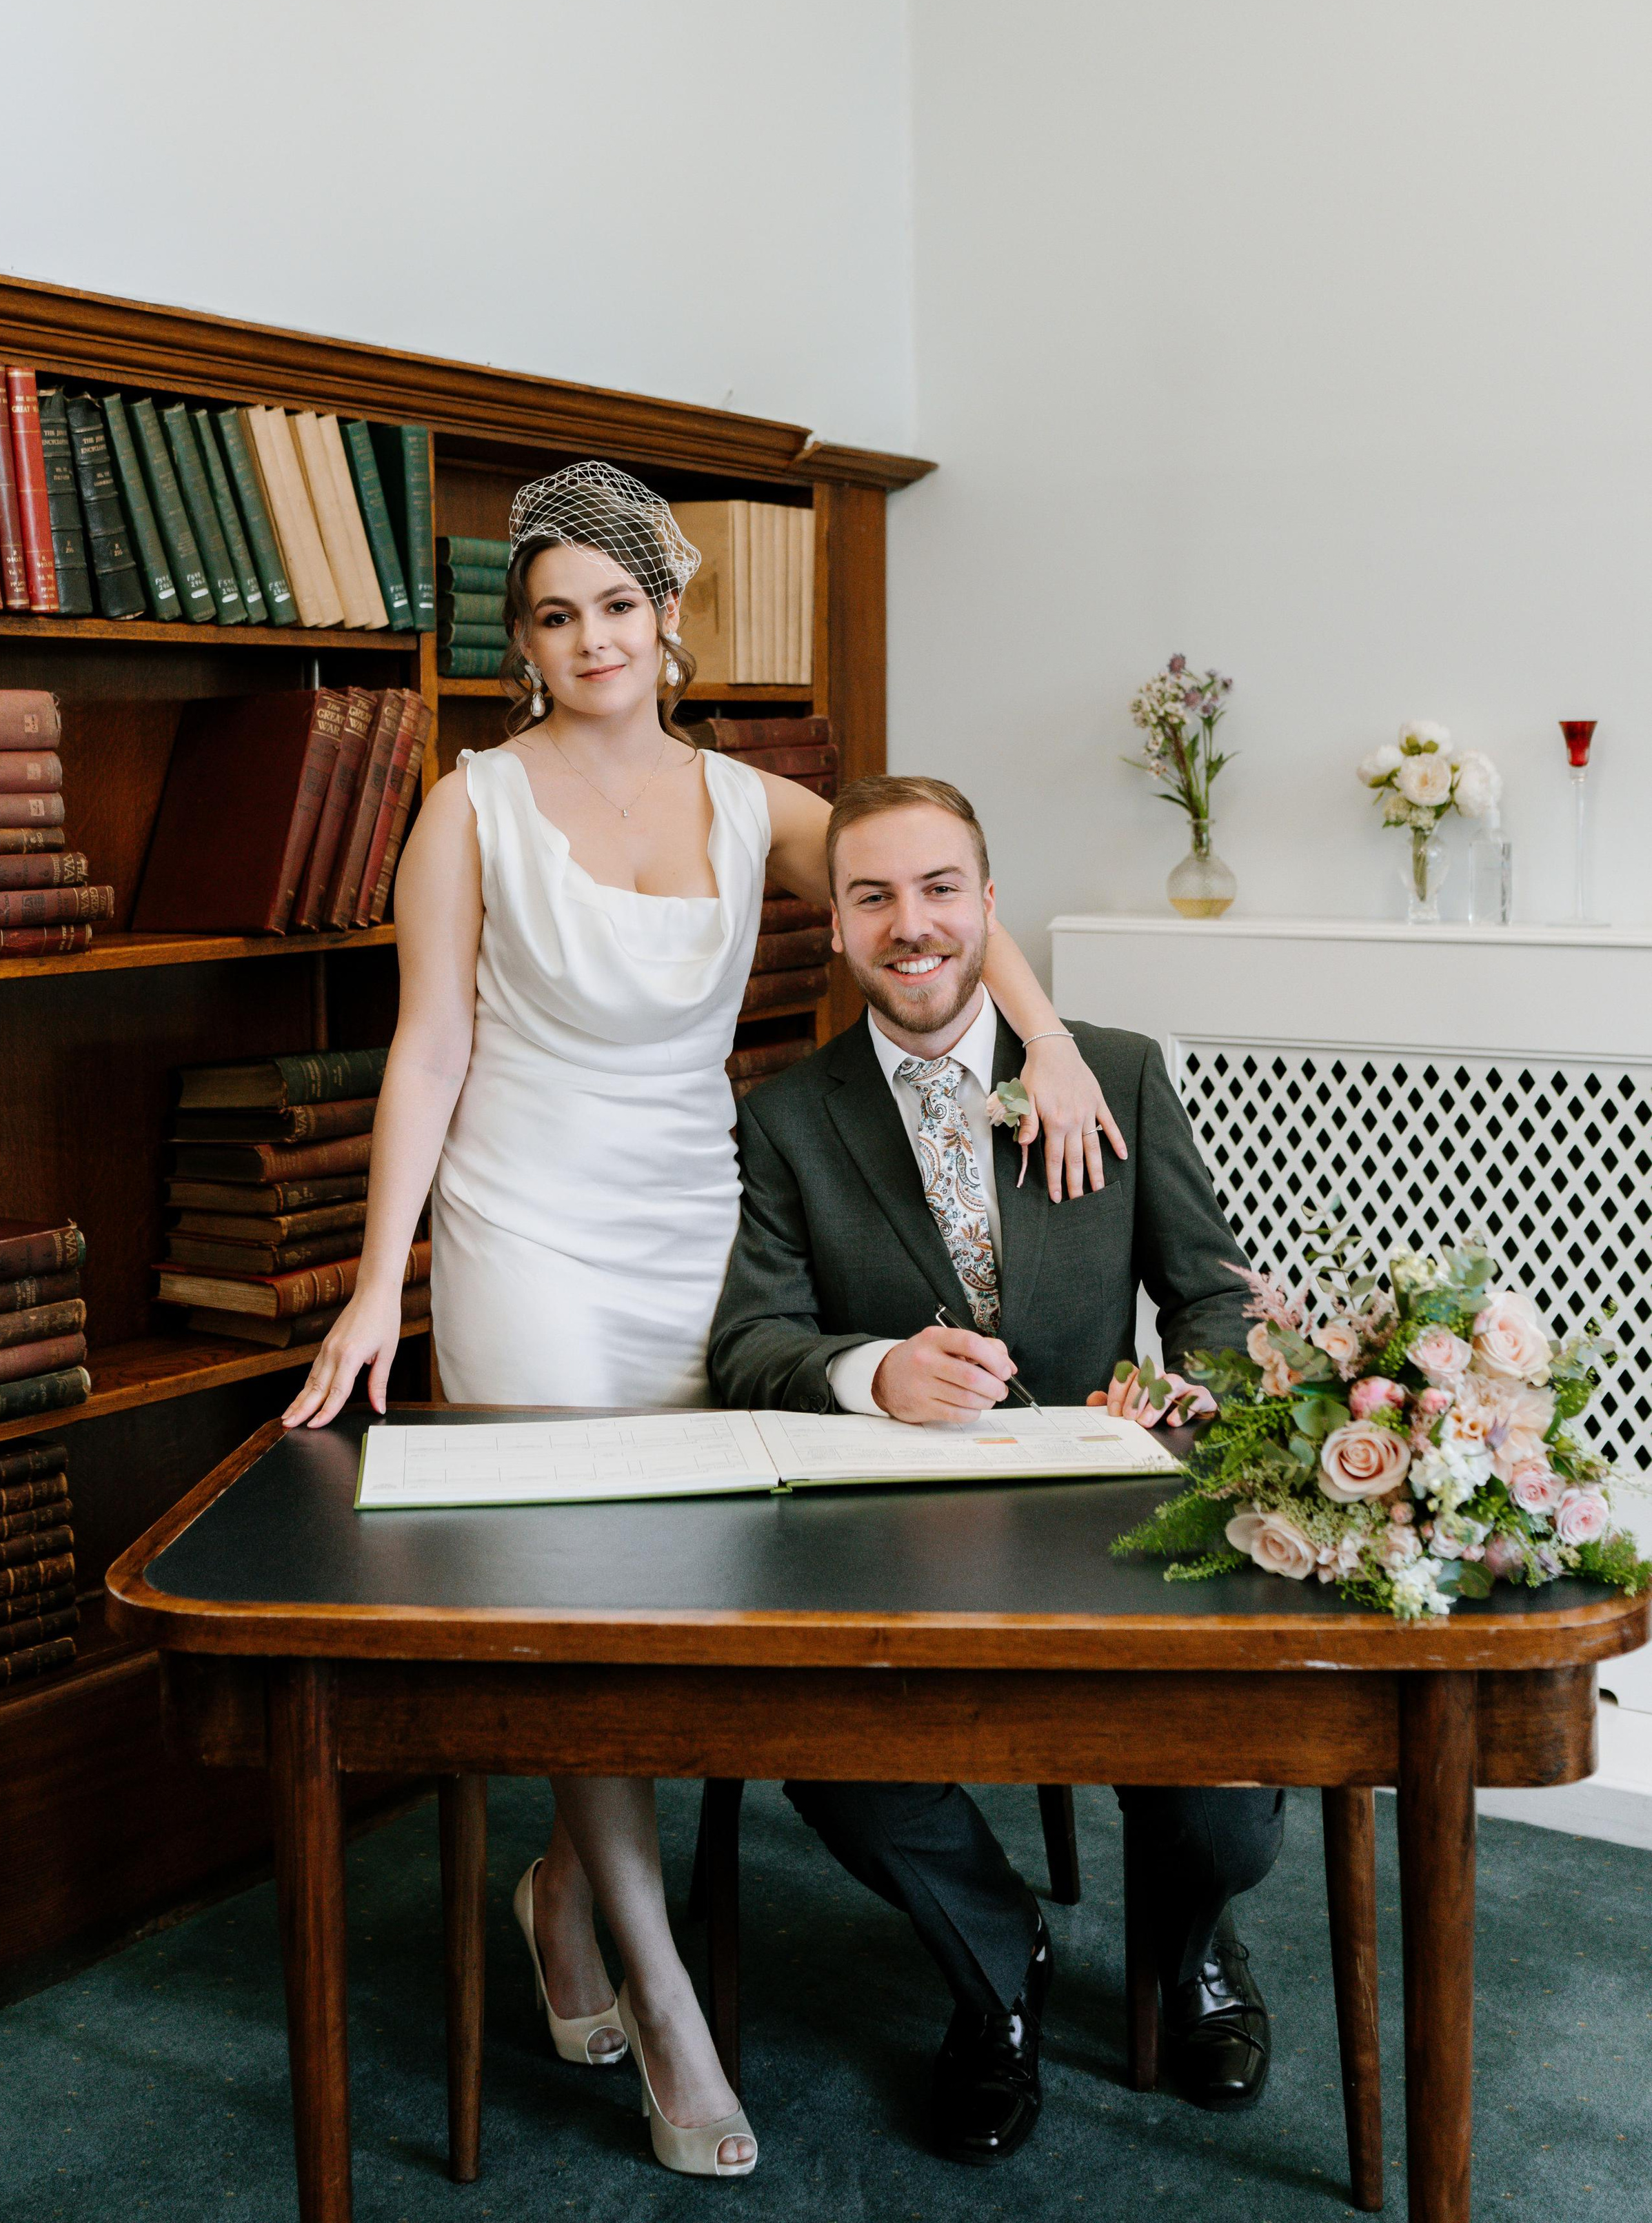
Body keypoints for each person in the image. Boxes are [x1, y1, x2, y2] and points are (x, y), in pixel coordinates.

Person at [280, 465, 1124, 2181]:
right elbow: (427, 1050)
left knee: (697, 1589)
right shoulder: (469, 807)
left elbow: (929, 895)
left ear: (670, 616)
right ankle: (663, 1990)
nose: (589, 637)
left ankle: (563, 1887)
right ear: (522, 643)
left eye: (615, 603)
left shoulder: (755, 802)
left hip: (699, 1227)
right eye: (551, 612)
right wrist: (381, 1281)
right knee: (579, 1606)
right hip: (521, 1232)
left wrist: (1050, 1037)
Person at [706, 771, 1284, 2166]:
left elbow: (1205, 1290)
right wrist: (869, 1370)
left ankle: (1188, 1948)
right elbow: (750, 1340)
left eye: (938, 888)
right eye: (872, 896)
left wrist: (1201, 1388)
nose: (911, 925)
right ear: (836, 928)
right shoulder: (785, 1116)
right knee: (837, 1762)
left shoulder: (1117, 1070)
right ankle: (994, 1957)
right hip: (902, 1538)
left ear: (984, 903)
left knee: (1230, 1787)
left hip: (1124, 1517)